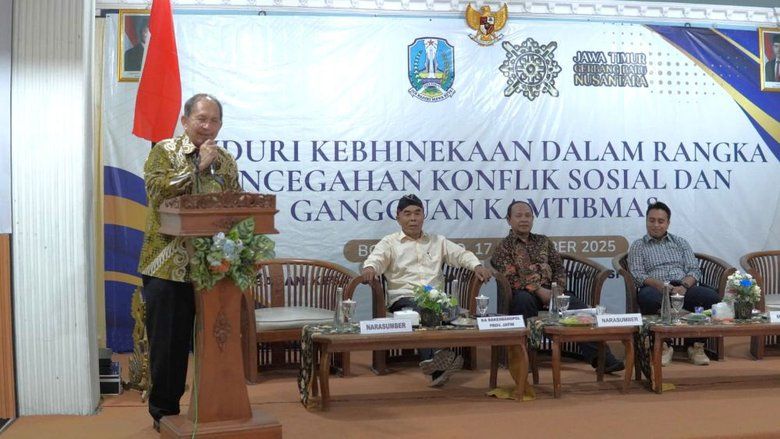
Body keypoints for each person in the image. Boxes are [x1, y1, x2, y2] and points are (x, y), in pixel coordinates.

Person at [138, 94, 241, 431]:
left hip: (213, 269)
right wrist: (196, 167)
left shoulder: (225, 160)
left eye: (213, 121)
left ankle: (214, 408)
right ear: (185, 120)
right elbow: (157, 194)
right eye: (200, 119)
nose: (206, 127)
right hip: (168, 266)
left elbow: (234, 206)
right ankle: (164, 414)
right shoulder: (163, 152)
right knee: (168, 346)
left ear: (220, 126)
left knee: (216, 342)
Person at [362, 194, 492, 387]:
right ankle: (438, 361)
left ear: (424, 216)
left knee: (443, 309)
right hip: (404, 299)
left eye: (417, 213)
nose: (413, 218)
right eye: (407, 214)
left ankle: (435, 365)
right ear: (398, 217)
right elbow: (376, 260)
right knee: (421, 310)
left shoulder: (437, 241)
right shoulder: (389, 243)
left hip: (437, 300)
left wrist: (477, 266)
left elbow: (461, 255)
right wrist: (370, 268)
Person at [490, 201, 625, 373]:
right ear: (509, 220)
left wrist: (557, 292)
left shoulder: (543, 241)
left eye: (528, 215)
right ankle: (525, 358)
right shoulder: (503, 247)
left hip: (552, 292)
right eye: (518, 216)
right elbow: (510, 277)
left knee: (579, 310)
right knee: (523, 301)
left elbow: (558, 268)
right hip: (524, 294)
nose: (524, 219)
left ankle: (602, 358)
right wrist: (539, 291)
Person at [628, 201, 720, 366]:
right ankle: (664, 345)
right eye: (651, 220)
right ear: (646, 221)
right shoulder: (638, 246)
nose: (655, 225)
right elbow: (637, 274)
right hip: (655, 287)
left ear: (668, 223)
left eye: (660, 221)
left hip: (682, 286)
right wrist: (660, 286)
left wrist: (683, 287)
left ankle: (695, 345)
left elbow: (694, 270)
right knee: (648, 298)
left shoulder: (680, 243)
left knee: (710, 297)